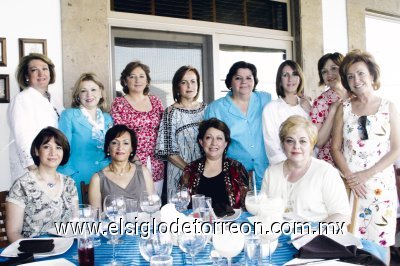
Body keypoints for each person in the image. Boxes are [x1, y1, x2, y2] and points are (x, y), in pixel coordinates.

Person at [332, 50, 400, 249]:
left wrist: (366, 175)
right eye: (350, 76)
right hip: (350, 185)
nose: (356, 79)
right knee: (349, 242)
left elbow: (396, 149)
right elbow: (335, 147)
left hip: (380, 187)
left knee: (380, 242)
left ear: (371, 75)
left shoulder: (389, 107)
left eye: (360, 73)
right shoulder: (343, 107)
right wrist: (351, 177)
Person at [261, 115, 350, 223]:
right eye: (289, 141)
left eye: (303, 141)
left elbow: (342, 215)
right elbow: (262, 210)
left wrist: (314, 232)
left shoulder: (326, 172)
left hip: (316, 237)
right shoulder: (271, 173)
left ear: (311, 145)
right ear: (283, 145)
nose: (296, 146)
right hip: (275, 235)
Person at [205, 61, 271, 190]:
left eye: (248, 78)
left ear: (254, 81)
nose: (244, 82)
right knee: (236, 208)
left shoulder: (265, 99)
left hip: (265, 170)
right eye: (238, 78)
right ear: (230, 82)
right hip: (233, 173)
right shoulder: (216, 108)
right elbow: (210, 144)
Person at [6, 127, 78, 243]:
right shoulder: (21, 185)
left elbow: (75, 223)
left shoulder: (70, 183)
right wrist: (36, 251)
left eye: (58, 147)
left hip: (66, 250)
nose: (53, 153)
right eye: (46, 147)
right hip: (34, 253)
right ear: (36, 151)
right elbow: (13, 233)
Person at [110, 61, 164, 195]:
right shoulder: (119, 103)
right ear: (125, 80)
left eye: (141, 76)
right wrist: (133, 157)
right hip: (132, 160)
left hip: (157, 161)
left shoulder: (155, 101)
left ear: (147, 80)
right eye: (132, 76)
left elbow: (163, 129)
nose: (137, 80)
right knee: (137, 201)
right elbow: (118, 135)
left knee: (155, 201)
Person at [58, 73, 113, 203]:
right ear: (78, 95)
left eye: (93, 90)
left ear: (100, 93)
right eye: (83, 91)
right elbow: (62, 148)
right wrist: (68, 177)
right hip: (77, 177)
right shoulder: (69, 115)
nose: (89, 95)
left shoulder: (107, 118)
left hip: (105, 176)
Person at [7, 53, 63, 181]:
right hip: (33, 168)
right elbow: (22, 138)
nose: (41, 74)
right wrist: (34, 169)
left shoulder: (55, 99)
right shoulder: (22, 99)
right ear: (27, 76)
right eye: (34, 70)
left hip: (52, 163)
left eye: (44, 69)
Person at [155, 66, 206, 201]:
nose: (189, 86)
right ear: (177, 86)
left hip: (205, 171)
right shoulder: (170, 112)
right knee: (179, 214)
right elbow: (168, 150)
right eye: (184, 82)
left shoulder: (207, 109)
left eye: (193, 81)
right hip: (179, 171)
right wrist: (191, 171)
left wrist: (203, 171)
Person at [180, 118, 249, 210]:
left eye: (219, 138)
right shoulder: (190, 169)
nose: (214, 143)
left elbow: (246, 206)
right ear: (201, 142)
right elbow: (182, 205)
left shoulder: (237, 168)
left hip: (232, 223)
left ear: (225, 144)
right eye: (209, 138)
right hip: (197, 222)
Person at [88, 125, 154, 210]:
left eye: (125, 143)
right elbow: (96, 218)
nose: (120, 147)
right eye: (115, 143)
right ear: (108, 148)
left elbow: (152, 207)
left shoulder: (144, 172)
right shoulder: (97, 179)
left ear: (132, 149)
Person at [262, 60, 311, 165]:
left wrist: (311, 111)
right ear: (280, 80)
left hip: (309, 166)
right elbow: (272, 145)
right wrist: (288, 167)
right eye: (285, 75)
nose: (290, 79)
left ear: (300, 78)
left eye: (294, 74)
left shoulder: (309, 106)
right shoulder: (271, 109)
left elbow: (315, 140)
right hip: (284, 168)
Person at [310, 52, 350, 165]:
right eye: (324, 71)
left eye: (334, 69)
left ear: (343, 69)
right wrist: (332, 111)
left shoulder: (356, 96)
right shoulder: (321, 101)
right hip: (330, 165)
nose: (329, 74)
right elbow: (318, 142)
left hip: (356, 161)